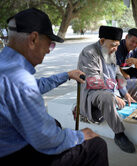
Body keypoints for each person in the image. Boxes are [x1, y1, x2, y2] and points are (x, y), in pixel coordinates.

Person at [0, 8, 108, 166]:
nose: (48, 51)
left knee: (55, 124)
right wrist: (81, 135)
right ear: (34, 39)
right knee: (96, 145)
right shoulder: (21, 80)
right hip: (14, 156)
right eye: (49, 45)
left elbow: (35, 87)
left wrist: (67, 75)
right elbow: (46, 138)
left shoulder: (6, 65)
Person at [77, 25, 137, 153]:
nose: (115, 49)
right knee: (108, 97)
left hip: (111, 87)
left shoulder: (110, 51)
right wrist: (115, 95)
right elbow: (93, 81)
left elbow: (117, 74)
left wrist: (125, 93)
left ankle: (136, 116)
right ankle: (119, 134)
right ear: (102, 41)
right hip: (94, 92)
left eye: (117, 45)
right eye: (113, 45)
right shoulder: (89, 53)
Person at [115, 28, 137, 96]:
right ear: (126, 37)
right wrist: (125, 75)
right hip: (115, 72)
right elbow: (115, 67)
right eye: (132, 41)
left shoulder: (136, 48)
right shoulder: (118, 47)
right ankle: (122, 95)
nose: (134, 44)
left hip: (127, 71)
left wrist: (136, 62)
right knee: (124, 78)